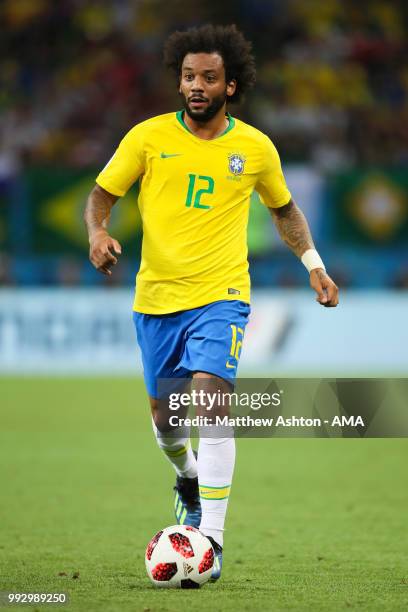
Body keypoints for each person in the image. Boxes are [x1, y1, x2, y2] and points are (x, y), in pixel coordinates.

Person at [84, 24, 339, 582]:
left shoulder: (254, 147)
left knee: (210, 403)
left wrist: (314, 265)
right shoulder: (147, 137)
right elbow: (102, 195)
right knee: (165, 418)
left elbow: (285, 212)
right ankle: (187, 477)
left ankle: (212, 542)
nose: (196, 85)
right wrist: (97, 233)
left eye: (209, 78)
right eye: (188, 76)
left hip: (221, 297)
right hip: (156, 299)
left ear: (231, 86)